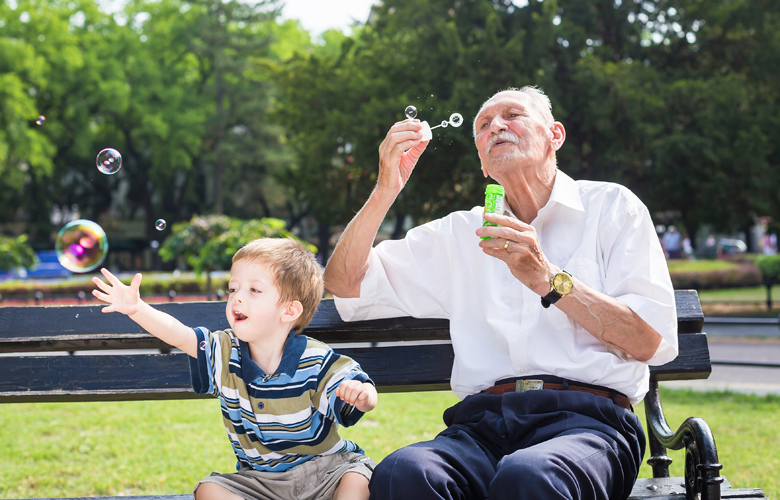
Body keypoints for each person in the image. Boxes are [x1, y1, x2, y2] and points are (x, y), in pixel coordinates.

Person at [323, 86, 678, 500]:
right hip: (482, 425)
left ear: (554, 135)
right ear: (483, 164)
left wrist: (547, 278)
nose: (496, 126)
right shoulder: (458, 233)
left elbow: (649, 340)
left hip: (589, 422)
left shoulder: (613, 208)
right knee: (403, 472)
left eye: (512, 115)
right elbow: (344, 284)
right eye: (483, 125)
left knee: (528, 476)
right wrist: (387, 188)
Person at [92, 238, 378, 500]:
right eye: (233, 288)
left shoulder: (314, 358)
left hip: (324, 473)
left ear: (289, 311)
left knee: (357, 479)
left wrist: (363, 395)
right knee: (208, 490)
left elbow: (356, 388)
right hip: (260, 482)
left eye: (254, 290)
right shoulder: (225, 351)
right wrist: (137, 308)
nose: (237, 297)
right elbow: (181, 335)